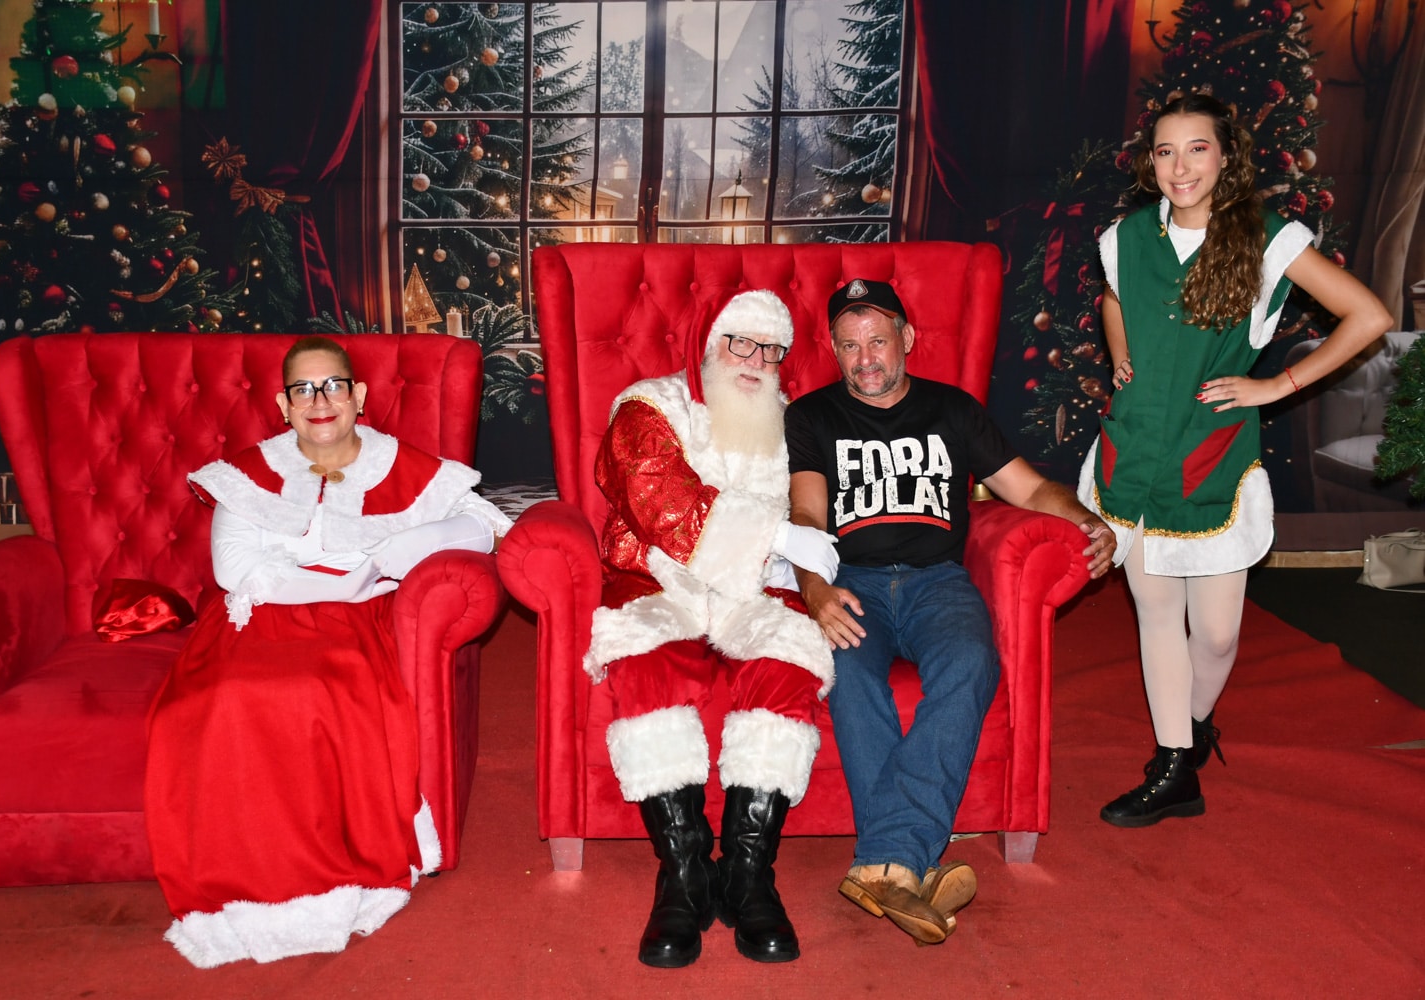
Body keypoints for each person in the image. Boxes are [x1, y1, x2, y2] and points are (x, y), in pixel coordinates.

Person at [144, 335, 511, 968]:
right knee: (227, 699)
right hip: (259, 616)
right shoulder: (250, 472)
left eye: (334, 386)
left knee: (325, 694)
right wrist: (341, 579)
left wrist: (403, 548)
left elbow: (486, 526)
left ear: (358, 396)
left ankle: (328, 877)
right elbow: (235, 570)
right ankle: (243, 880)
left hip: (353, 622)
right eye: (303, 390)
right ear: (283, 405)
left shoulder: (400, 464)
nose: (320, 401)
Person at [1080, 93, 1391, 828]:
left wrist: (1278, 385)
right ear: (1150, 162)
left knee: (1217, 632)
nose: (1180, 166)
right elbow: (1114, 302)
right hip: (1135, 447)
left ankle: (1191, 732)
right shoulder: (1126, 236)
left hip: (1211, 453)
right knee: (1157, 614)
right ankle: (1173, 766)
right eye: (1165, 151)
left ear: (1226, 156)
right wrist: (1120, 356)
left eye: (1197, 148)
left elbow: (1370, 316)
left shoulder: (1269, 238)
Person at [785, 278, 1115, 946]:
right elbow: (807, 513)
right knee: (848, 673)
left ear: (906, 339)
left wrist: (1087, 520)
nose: (865, 358)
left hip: (938, 581)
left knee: (971, 663)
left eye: (878, 340)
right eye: (849, 346)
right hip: (853, 580)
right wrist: (813, 588)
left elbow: (1028, 489)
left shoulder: (954, 410)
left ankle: (887, 862)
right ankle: (911, 865)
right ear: (834, 349)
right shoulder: (812, 415)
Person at [587, 290, 838, 968]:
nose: (756, 360)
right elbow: (658, 501)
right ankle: (685, 873)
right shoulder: (648, 406)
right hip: (660, 583)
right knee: (644, 667)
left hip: (756, 590)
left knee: (790, 663)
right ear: (707, 343)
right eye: (740, 342)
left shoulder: (795, 422)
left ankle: (749, 874)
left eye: (772, 349)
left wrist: (807, 554)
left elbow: (826, 507)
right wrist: (777, 535)